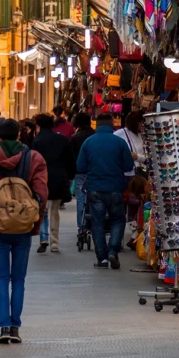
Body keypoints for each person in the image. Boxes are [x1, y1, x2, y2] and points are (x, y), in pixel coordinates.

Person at [0, 119, 48, 344]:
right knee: (19, 278)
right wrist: (34, 218)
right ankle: (15, 326)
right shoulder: (34, 158)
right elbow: (41, 191)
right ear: (20, 135)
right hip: (23, 226)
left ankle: (4, 325)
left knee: (2, 276)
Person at [76, 113, 134, 269]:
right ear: (111, 125)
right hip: (115, 187)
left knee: (97, 223)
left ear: (97, 125)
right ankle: (113, 251)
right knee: (117, 220)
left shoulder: (88, 142)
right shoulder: (120, 142)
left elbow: (80, 166)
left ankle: (102, 258)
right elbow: (129, 166)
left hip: (95, 188)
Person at [32, 113, 76, 254]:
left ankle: (43, 237)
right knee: (54, 211)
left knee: (42, 210)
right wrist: (70, 177)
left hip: (41, 178)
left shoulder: (37, 141)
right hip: (58, 177)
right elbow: (70, 160)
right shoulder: (61, 140)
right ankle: (55, 242)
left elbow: (32, 161)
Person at [69, 112, 94, 237]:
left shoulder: (75, 137)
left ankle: (82, 226)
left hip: (80, 172)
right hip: (95, 171)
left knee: (80, 199)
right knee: (94, 198)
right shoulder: (94, 135)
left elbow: (72, 158)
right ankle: (93, 223)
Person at [114, 110, 146, 176]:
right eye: (141, 122)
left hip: (141, 174)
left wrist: (137, 157)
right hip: (125, 175)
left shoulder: (142, 136)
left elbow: (147, 157)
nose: (143, 125)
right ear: (136, 123)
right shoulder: (119, 134)